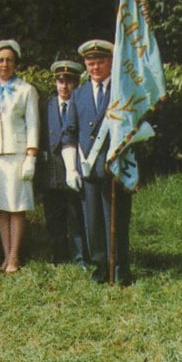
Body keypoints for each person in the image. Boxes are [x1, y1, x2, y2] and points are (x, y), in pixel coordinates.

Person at [66, 39, 131, 285]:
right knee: (92, 219)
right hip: (89, 168)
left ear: (111, 61)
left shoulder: (121, 91)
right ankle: (100, 265)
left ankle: (120, 268)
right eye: (90, 63)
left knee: (117, 218)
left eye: (100, 62)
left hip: (114, 168)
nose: (95, 68)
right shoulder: (79, 93)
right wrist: (72, 166)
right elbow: (70, 131)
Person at [0, 40, 39, 274]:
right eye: (0, 60)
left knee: (16, 206)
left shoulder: (26, 90)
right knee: (0, 208)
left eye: (9, 60)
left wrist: (31, 156)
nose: (5, 64)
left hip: (17, 154)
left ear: (15, 63)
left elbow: (33, 125)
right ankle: (5, 255)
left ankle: (15, 256)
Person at [39, 58, 87, 266]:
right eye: (60, 81)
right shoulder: (46, 105)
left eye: (69, 81)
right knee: (53, 215)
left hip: (73, 166)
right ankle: (57, 255)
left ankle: (79, 256)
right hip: (51, 168)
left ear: (76, 83)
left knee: (75, 214)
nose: (64, 86)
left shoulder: (80, 104)